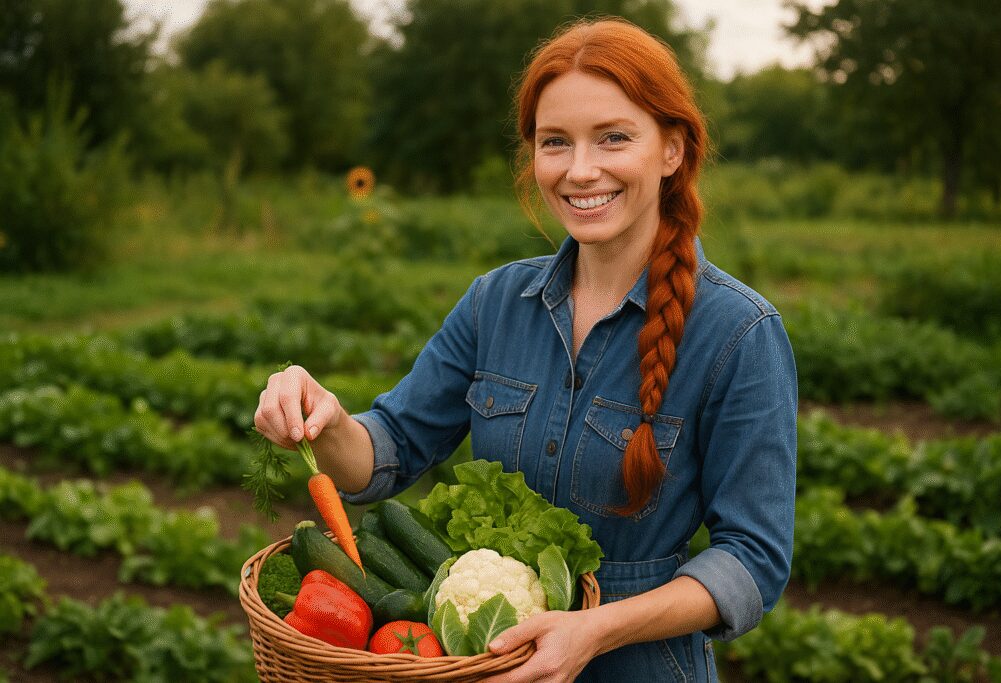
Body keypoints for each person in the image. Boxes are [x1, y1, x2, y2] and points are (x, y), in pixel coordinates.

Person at [254, 16, 797, 683]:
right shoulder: (495, 303)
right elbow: (390, 447)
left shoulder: (738, 331)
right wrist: (329, 421)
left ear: (672, 149)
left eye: (614, 137)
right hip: (490, 664)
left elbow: (754, 558)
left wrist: (595, 628)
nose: (580, 169)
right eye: (555, 142)